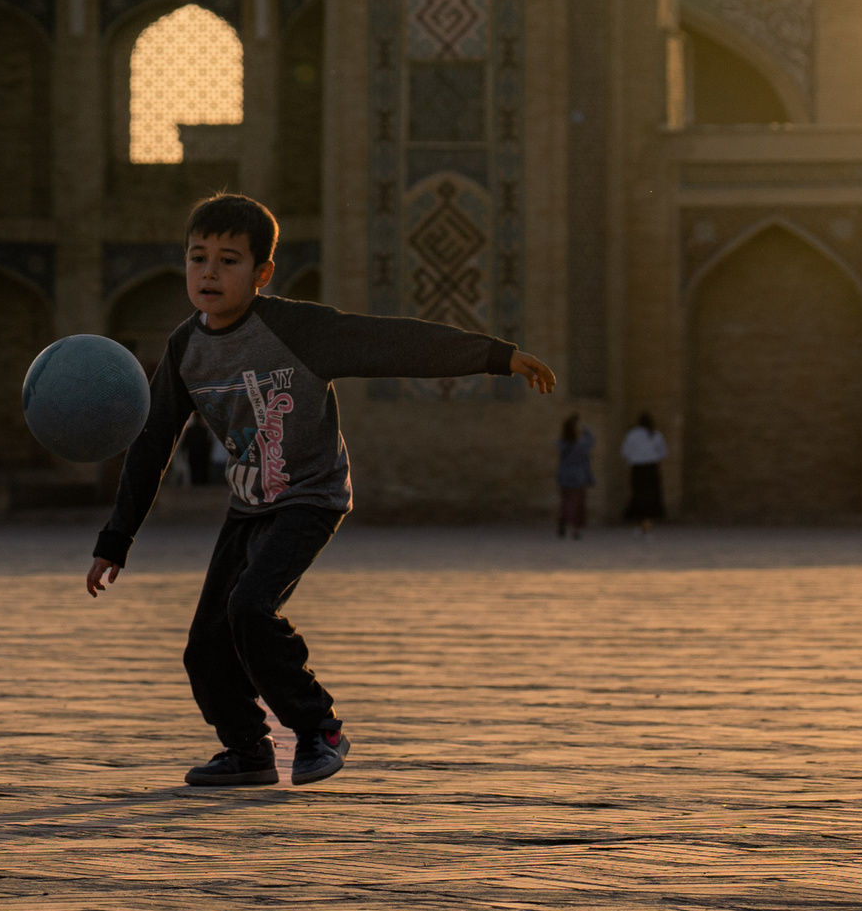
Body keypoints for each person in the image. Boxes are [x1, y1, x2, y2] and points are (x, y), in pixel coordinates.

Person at [85, 192, 555, 790]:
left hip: (310, 497)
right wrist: (116, 539)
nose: (209, 273)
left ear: (262, 274)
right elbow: (153, 443)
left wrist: (495, 356)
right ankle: (248, 750)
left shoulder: (297, 330)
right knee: (205, 646)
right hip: (249, 505)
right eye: (198, 258)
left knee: (250, 607)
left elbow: (390, 342)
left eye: (229, 261)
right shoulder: (185, 348)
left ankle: (318, 728)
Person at [621, 412, 667, 535]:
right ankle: (646, 525)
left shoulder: (632, 434)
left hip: (638, 470)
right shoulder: (656, 435)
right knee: (651, 498)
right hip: (651, 469)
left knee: (639, 496)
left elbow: (625, 452)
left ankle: (640, 525)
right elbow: (663, 453)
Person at [555, 413, 595, 539]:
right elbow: (591, 440)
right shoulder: (580, 445)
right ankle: (575, 530)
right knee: (577, 505)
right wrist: (584, 427)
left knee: (565, 502)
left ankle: (563, 519)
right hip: (578, 477)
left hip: (564, 476)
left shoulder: (562, 443)